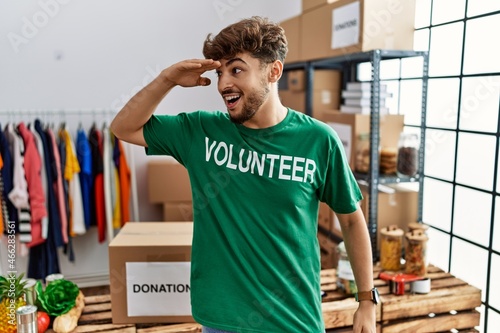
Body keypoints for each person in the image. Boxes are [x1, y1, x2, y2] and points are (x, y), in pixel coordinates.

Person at [110, 16, 376, 333]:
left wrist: (366, 302)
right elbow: (124, 127)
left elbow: (350, 219)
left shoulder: (318, 141)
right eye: (220, 72)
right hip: (222, 320)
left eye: (236, 70)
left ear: (273, 71)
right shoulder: (200, 131)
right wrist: (167, 79)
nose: (223, 84)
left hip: (293, 320)